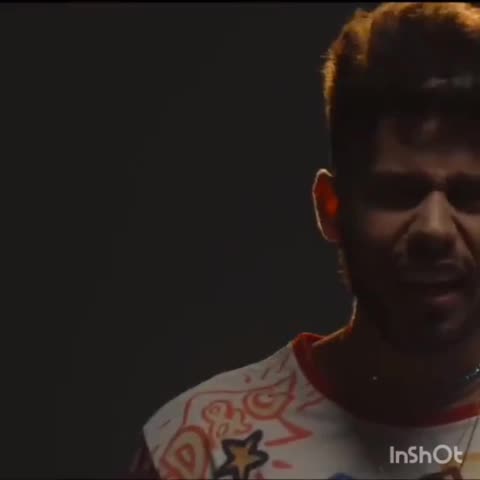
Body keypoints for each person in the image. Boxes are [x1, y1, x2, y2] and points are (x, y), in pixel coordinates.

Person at [128, 3, 480, 479]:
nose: (434, 230)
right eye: (397, 193)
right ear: (331, 208)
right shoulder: (196, 445)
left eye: (470, 196)